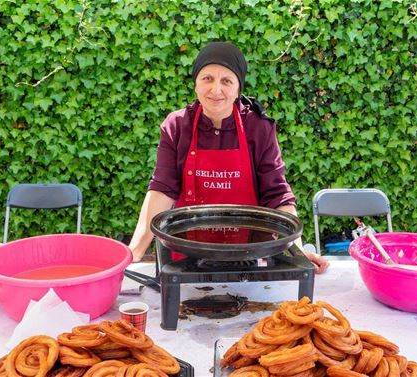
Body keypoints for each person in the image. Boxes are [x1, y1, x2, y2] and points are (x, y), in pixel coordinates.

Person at [128, 41, 329, 273]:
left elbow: (277, 194)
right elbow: (163, 190)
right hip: (186, 255)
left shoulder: (258, 128)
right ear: (195, 84)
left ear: (238, 88)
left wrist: (298, 251)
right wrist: (134, 252)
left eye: (226, 81)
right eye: (207, 79)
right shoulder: (177, 126)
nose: (216, 90)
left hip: (249, 255)